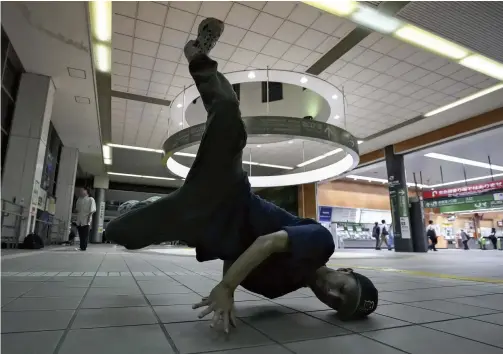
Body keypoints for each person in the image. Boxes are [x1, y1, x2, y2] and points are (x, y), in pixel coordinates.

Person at [106, 18, 378, 334]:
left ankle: (151, 207)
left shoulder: (276, 290)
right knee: (227, 117)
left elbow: (235, 256)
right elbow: (267, 242)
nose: (330, 294)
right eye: (343, 289)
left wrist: (229, 288)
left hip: (202, 227)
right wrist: (226, 288)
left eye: (336, 303)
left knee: (119, 232)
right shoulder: (321, 244)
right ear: (345, 271)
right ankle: (198, 55)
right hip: (227, 194)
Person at [75, 187, 96, 251]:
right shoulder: (79, 199)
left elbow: (92, 210)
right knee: (81, 234)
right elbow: (77, 209)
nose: (81, 191)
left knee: (85, 235)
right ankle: (81, 247)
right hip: (79, 219)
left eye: (82, 190)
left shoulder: (91, 199)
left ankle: (83, 247)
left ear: (87, 191)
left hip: (86, 219)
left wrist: (89, 218)